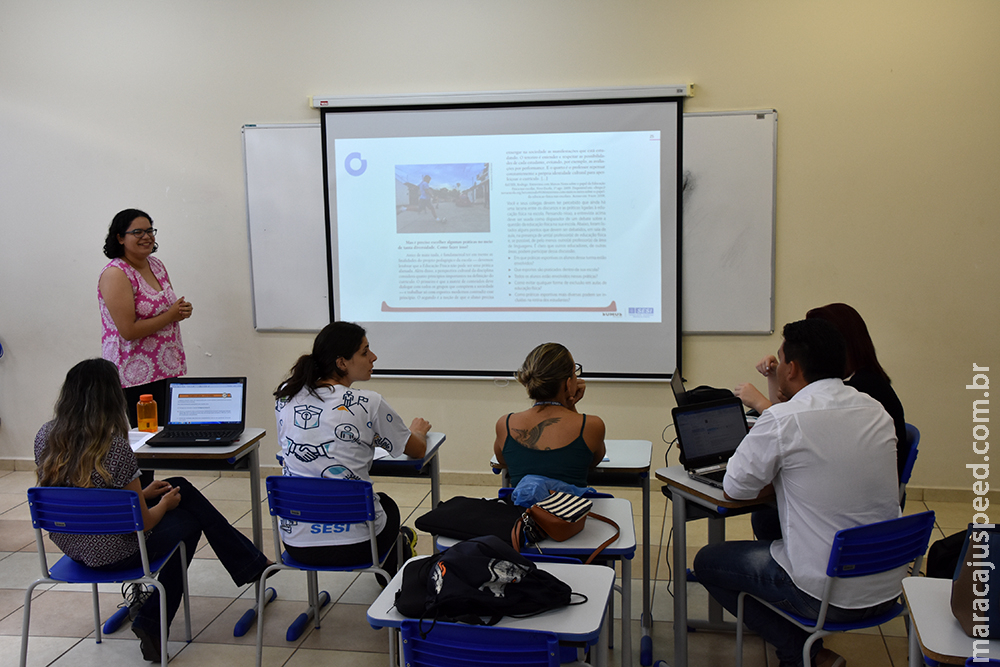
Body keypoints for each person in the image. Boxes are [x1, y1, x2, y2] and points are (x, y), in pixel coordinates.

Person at [693, 319, 901, 667]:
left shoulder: (783, 420)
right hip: (888, 587)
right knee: (769, 519)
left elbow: (735, 486)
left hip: (828, 596)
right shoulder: (874, 410)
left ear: (792, 367)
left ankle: (801, 653)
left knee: (708, 561)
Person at [34, 359, 270, 662]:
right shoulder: (114, 446)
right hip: (115, 551)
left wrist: (142, 494)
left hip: (72, 545)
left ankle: (250, 562)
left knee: (177, 484)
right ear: (112, 398)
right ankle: (152, 620)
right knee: (188, 519)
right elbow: (143, 524)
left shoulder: (46, 436)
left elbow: (85, 495)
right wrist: (163, 505)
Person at [273, 322, 430, 579]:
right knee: (386, 505)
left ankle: (396, 553)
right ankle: (395, 567)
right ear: (342, 362)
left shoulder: (285, 395)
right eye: (365, 351)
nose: (373, 357)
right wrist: (418, 430)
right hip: (359, 547)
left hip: (297, 546)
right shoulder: (368, 402)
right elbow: (417, 450)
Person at [734, 302, 907, 479]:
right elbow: (788, 411)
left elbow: (791, 426)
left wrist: (760, 403)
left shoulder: (859, 391)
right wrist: (778, 372)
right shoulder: (860, 382)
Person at [99, 208, 192, 426]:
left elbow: (167, 309)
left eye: (150, 231)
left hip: (166, 366)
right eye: (138, 232)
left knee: (172, 435)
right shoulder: (116, 273)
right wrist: (170, 316)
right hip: (135, 374)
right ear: (120, 237)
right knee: (148, 440)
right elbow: (128, 331)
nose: (147, 237)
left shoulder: (156, 265)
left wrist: (180, 311)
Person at [494, 343, 606, 489]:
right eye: (574, 372)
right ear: (568, 383)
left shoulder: (505, 424)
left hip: (521, 511)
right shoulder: (591, 425)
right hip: (570, 510)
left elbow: (503, 461)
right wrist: (570, 405)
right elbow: (591, 461)